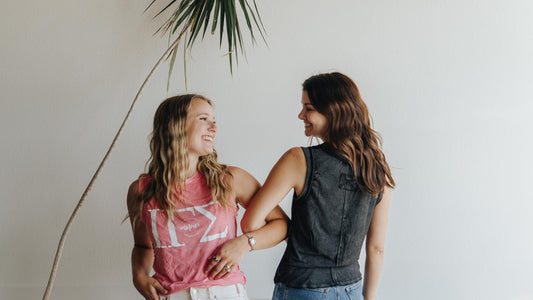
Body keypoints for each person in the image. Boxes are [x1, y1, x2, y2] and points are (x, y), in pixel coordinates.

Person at [241, 72, 395, 300]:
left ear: (333, 111)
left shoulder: (299, 160)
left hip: (303, 288)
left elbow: (250, 222)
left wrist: (297, 236)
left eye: (309, 108)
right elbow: (376, 249)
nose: (301, 115)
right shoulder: (378, 170)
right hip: (350, 290)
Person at [126, 94, 289, 300]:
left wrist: (245, 243)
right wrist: (138, 276)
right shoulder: (140, 190)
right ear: (175, 125)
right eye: (203, 119)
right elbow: (143, 245)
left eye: (214, 121)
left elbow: (282, 225)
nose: (214, 128)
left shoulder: (230, 179)